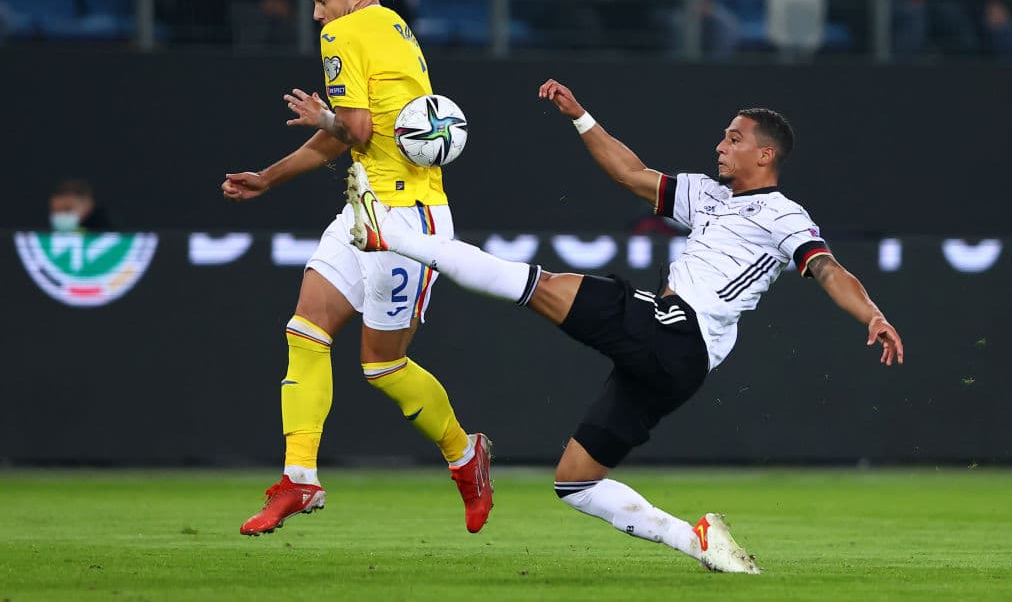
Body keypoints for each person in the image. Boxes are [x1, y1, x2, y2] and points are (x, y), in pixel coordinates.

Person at [344, 78, 905, 574]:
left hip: (677, 332)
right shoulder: (709, 196)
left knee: (539, 286)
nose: (720, 145)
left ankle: (387, 233)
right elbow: (630, 173)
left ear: (765, 155)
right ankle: (699, 540)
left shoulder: (783, 213)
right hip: (678, 362)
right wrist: (580, 116)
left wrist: (872, 313)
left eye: (733, 138)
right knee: (575, 480)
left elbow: (826, 268)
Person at [221, 0, 493, 537]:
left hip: (405, 221)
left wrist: (325, 118)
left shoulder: (343, 35)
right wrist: (270, 176)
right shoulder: (393, 24)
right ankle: (299, 478)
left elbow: (355, 128)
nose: (317, 14)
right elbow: (353, 134)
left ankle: (465, 457)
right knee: (305, 329)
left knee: (383, 365)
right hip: (365, 205)